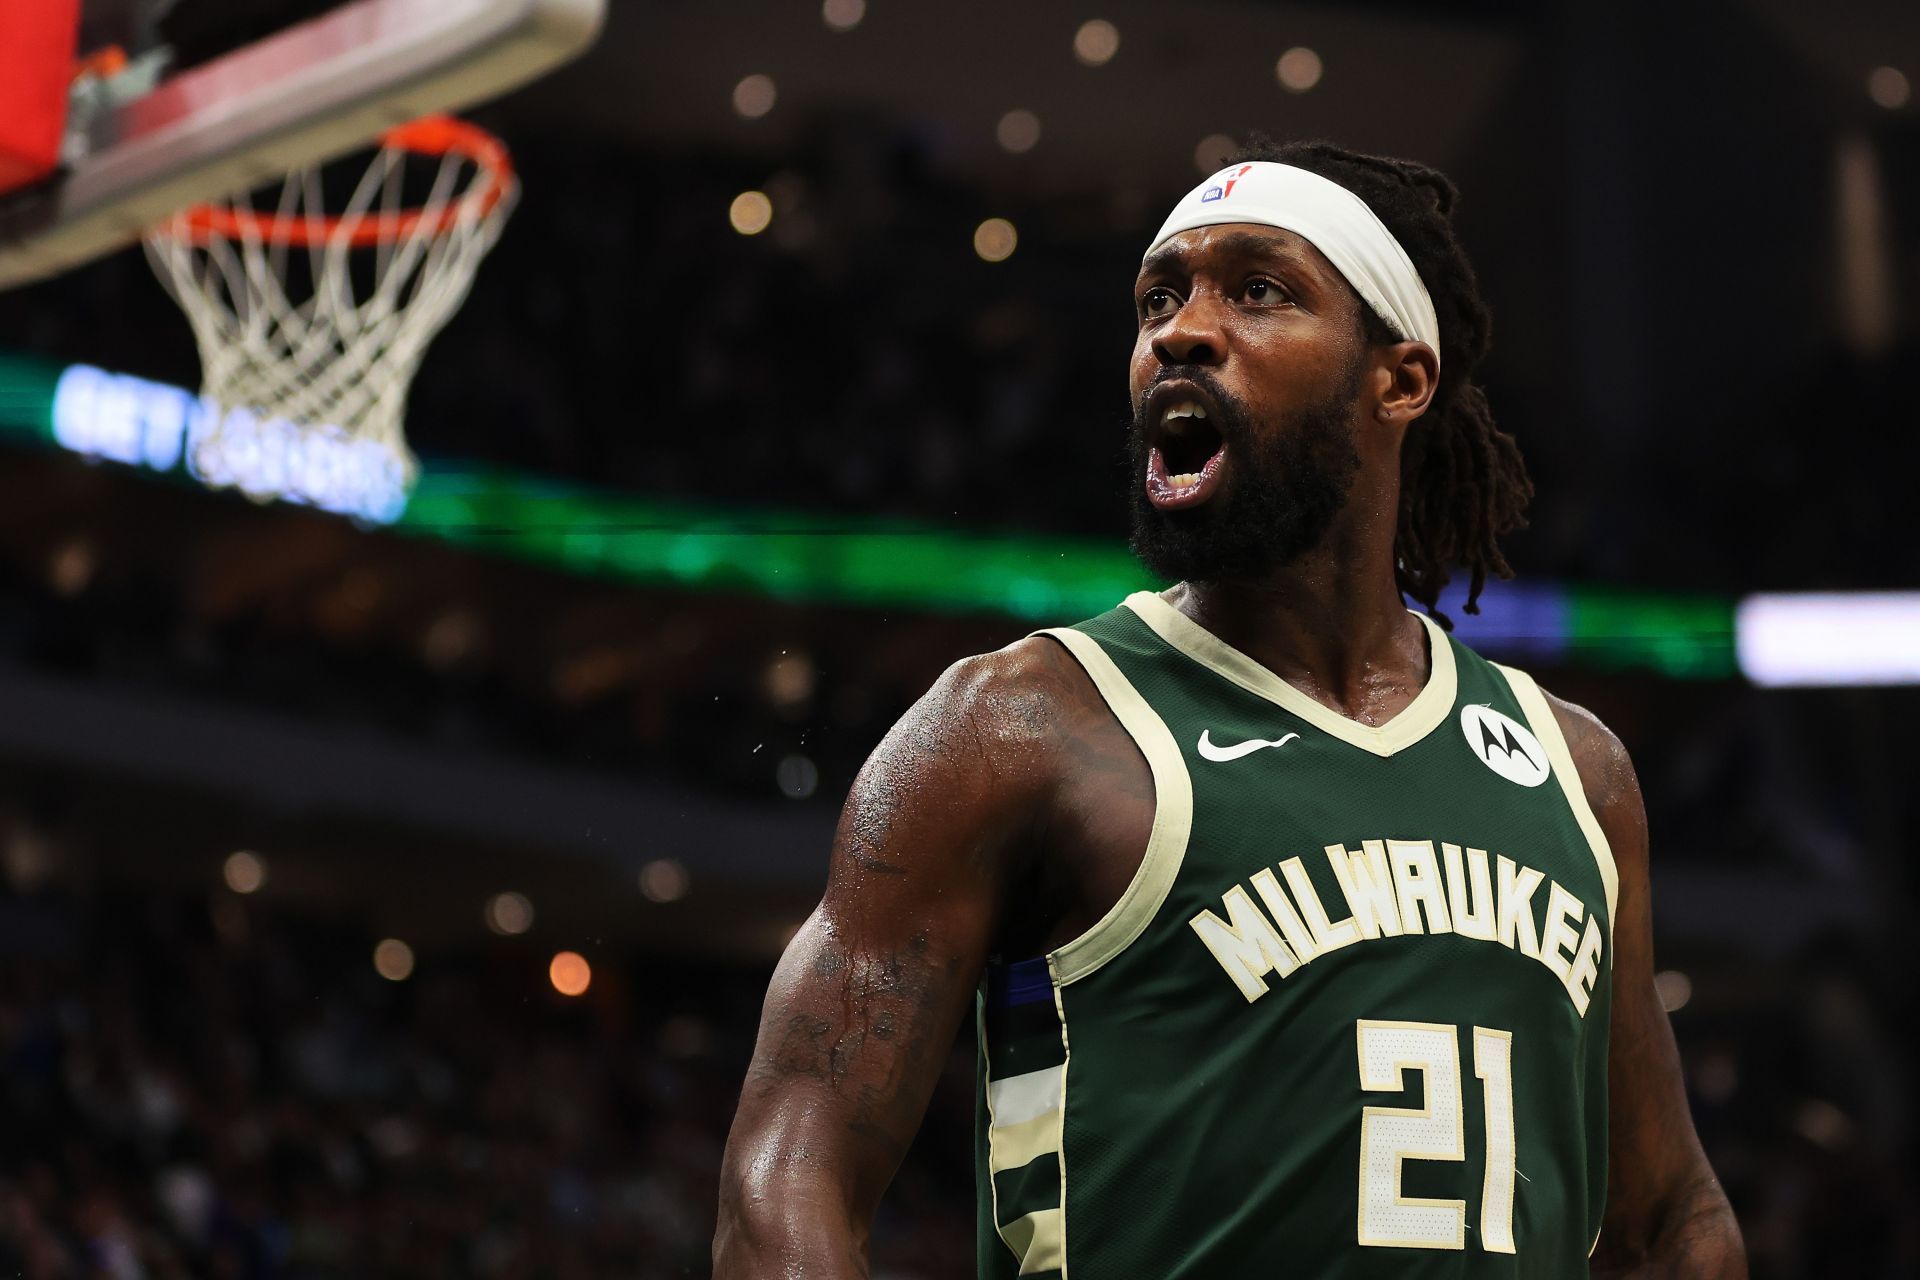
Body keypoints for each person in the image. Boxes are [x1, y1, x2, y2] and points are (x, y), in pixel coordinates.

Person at [712, 139, 1745, 1278]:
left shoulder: (1578, 772)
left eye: (1258, 290)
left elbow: (1673, 1221)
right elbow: (787, 1182)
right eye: (1160, 296)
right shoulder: (1015, 728)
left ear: (1399, 379)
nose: (1180, 330)